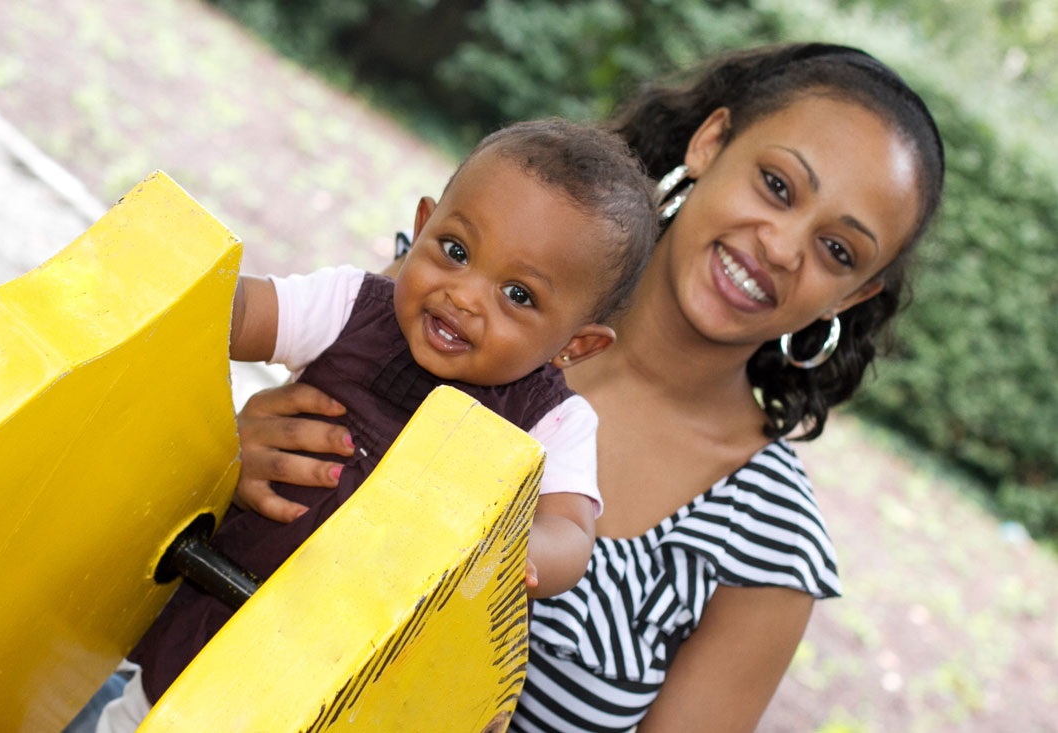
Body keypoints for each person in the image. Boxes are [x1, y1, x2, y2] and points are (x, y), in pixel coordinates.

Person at [228, 42, 945, 732]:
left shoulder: (770, 544)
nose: (783, 247)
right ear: (711, 142)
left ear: (852, 296)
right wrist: (228, 454)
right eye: (778, 185)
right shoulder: (446, 298)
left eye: (837, 250)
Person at [85, 118, 657, 729]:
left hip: (353, 690)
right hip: (215, 619)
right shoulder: (351, 307)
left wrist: (514, 548)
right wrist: (173, 285)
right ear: (421, 227)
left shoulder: (554, 421)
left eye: (518, 295)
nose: (464, 296)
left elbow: (571, 531)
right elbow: (245, 311)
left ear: (577, 345)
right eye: (456, 252)